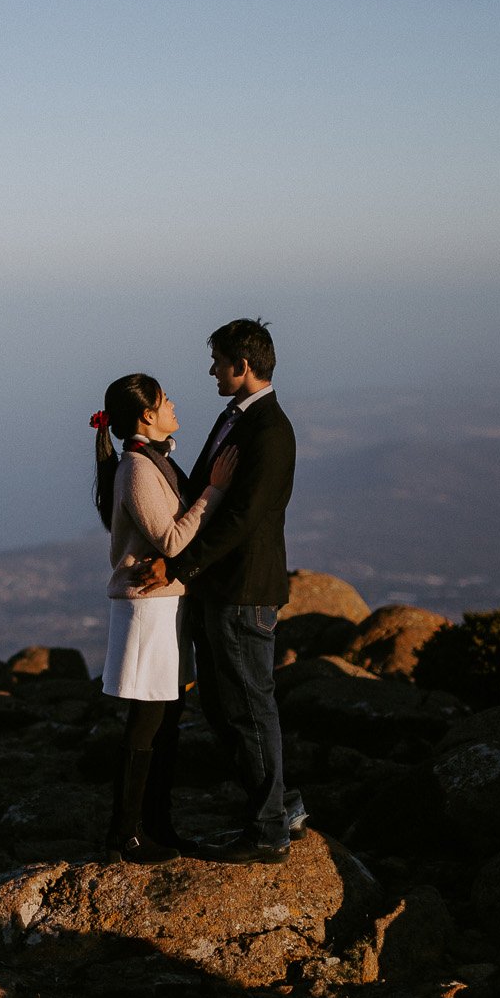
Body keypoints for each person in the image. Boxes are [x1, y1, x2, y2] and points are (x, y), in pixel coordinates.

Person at [140, 318, 305, 864]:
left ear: (243, 364)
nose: (211, 370)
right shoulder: (236, 418)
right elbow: (207, 490)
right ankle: (281, 807)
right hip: (223, 588)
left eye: (218, 362)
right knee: (222, 703)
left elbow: (242, 518)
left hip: (243, 590)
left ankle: (269, 832)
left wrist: (180, 567)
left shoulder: (269, 430)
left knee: (248, 707)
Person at [92, 372, 236, 863]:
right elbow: (171, 540)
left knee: (166, 719)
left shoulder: (155, 460)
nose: (174, 404)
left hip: (166, 603)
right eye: (165, 399)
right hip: (147, 607)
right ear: (147, 415)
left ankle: (156, 826)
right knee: (147, 720)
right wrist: (214, 491)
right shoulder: (137, 467)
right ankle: (125, 834)